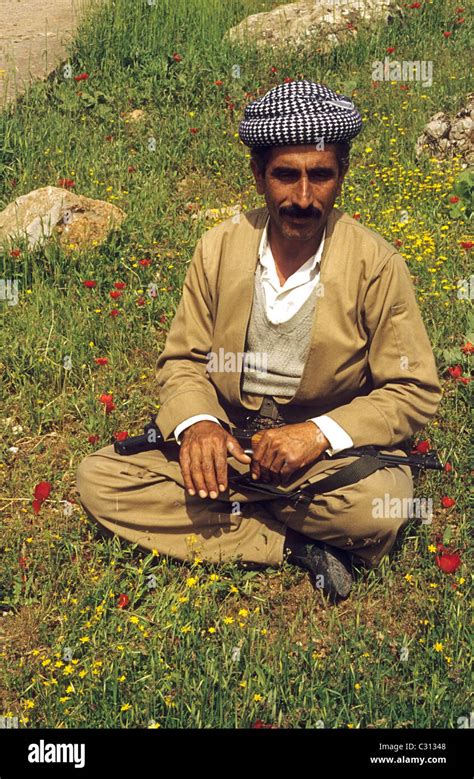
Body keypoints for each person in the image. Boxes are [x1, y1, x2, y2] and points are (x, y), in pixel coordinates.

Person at [76, 81, 442, 603]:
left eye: (321, 176)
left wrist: (315, 434)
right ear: (258, 175)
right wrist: (199, 425)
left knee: (376, 507)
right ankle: (289, 544)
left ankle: (226, 511)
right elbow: (183, 360)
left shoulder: (375, 264)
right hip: (228, 447)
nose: (303, 197)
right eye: (285, 176)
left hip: (321, 463)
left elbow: (411, 389)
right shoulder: (218, 249)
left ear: (341, 176)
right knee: (100, 479)